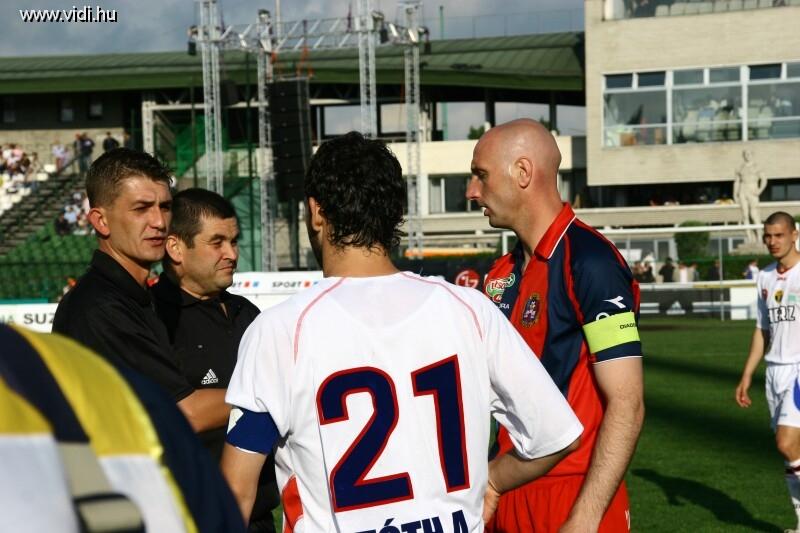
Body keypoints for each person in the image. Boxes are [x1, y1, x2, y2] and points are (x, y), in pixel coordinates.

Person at [221, 131, 583, 531]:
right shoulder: (470, 310)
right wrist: (493, 479)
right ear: (394, 213)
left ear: (316, 212)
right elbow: (557, 435)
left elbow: (236, 490)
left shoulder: (280, 330)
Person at [467, 119, 644, 533]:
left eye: (481, 175)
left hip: (572, 493)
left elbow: (627, 402)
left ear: (523, 172)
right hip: (503, 489)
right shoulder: (500, 275)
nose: (472, 191)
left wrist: (585, 517)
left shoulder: (591, 263)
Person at [53, 148, 228, 434]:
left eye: (165, 207)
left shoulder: (136, 297)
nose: (159, 222)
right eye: (141, 209)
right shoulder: (101, 308)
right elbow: (186, 412)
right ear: (101, 220)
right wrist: (275, 392)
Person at [152, 188, 278, 533]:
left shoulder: (248, 314)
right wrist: (271, 396)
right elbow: (178, 413)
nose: (232, 254)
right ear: (175, 248)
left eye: (234, 242)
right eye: (217, 242)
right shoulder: (154, 319)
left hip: (260, 516)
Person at [735, 211, 800, 533]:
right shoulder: (765, 277)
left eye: (779, 235)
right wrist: (748, 374)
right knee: (791, 454)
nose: (773, 242)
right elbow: (762, 329)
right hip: (774, 371)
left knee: (786, 443)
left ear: (794, 235)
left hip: (799, 370)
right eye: (768, 236)